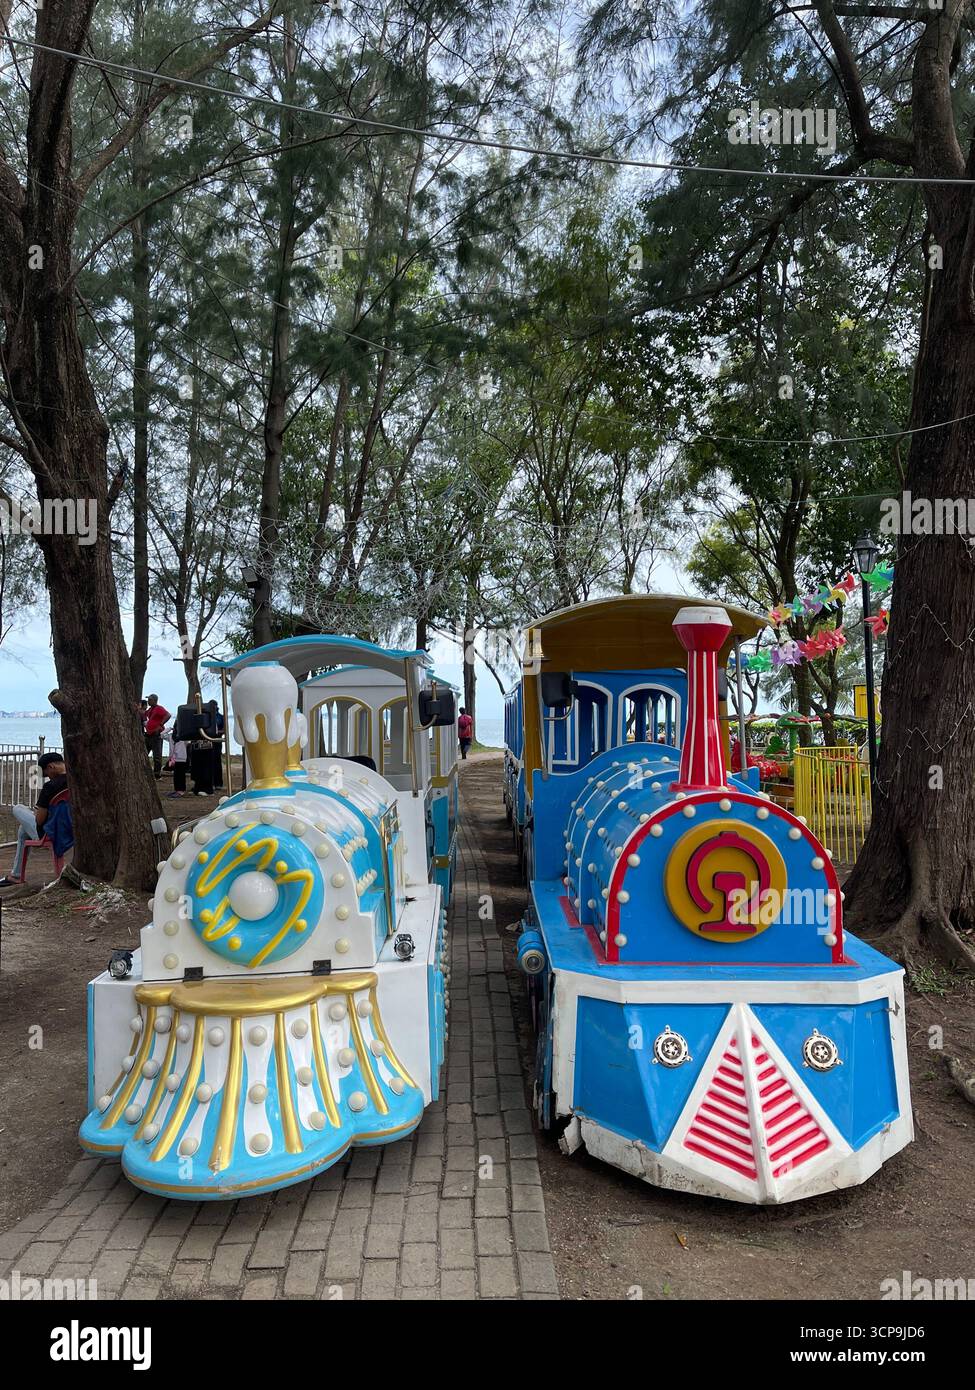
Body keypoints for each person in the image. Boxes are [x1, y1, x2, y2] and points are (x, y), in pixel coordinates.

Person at [0, 751, 69, 887]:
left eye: (46, 774)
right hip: (69, 829)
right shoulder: (75, 781)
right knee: (22, 831)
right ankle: (16, 874)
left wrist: (37, 813)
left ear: (51, 767)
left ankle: (16, 875)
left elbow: (39, 821)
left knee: (18, 808)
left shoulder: (50, 787)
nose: (47, 777)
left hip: (49, 833)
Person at [143, 693, 170, 778]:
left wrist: (161, 725)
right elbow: (144, 714)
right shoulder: (150, 709)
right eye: (148, 699)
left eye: (150, 700)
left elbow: (168, 715)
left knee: (157, 755)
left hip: (156, 734)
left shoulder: (159, 708)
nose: (148, 701)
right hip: (148, 734)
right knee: (144, 752)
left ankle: (157, 774)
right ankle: (145, 771)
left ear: (155, 700)